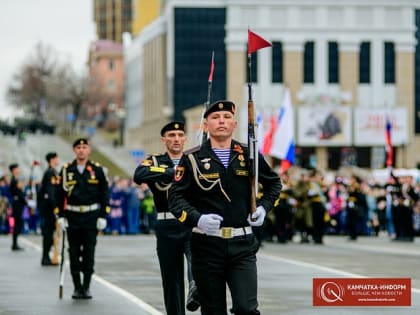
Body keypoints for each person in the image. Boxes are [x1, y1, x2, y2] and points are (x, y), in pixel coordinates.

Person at [168, 101, 282, 315]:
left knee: (246, 309)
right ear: (205, 125)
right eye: (215, 117)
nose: (222, 121)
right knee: (213, 310)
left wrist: (264, 208)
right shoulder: (192, 158)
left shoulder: (249, 154)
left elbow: (274, 184)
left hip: (242, 244)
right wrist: (197, 219)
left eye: (227, 117)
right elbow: (175, 198)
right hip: (206, 246)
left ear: (235, 123)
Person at [133, 121, 200, 315]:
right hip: (167, 224)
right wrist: (171, 171)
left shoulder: (193, 159)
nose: (176, 139)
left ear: (185, 138)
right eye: (171, 136)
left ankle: (195, 289)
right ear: (164, 140)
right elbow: (139, 174)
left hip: (191, 223)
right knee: (171, 280)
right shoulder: (155, 161)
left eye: (180, 135)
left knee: (196, 262)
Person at [56, 138, 110, 299]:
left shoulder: (97, 170)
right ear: (74, 150)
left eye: (84, 147)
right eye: (78, 147)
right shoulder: (66, 170)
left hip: (91, 216)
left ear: (89, 150)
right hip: (72, 216)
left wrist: (103, 215)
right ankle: (76, 287)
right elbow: (59, 194)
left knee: (89, 252)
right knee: (73, 252)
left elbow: (104, 194)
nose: (81, 150)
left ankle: (86, 287)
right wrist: (60, 215)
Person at [38, 152, 60, 266]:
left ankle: (47, 256)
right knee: (48, 232)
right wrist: (56, 207)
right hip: (49, 208)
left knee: (50, 232)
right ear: (52, 159)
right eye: (57, 158)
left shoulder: (53, 172)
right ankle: (45, 257)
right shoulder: (51, 172)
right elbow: (51, 192)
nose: (58, 159)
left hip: (48, 207)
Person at [9, 163, 34, 251]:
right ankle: (14, 244)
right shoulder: (14, 180)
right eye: (17, 169)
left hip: (18, 203)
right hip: (17, 204)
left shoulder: (15, 179)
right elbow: (18, 193)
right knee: (17, 224)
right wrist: (26, 201)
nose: (18, 170)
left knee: (18, 224)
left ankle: (15, 243)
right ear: (14, 170)